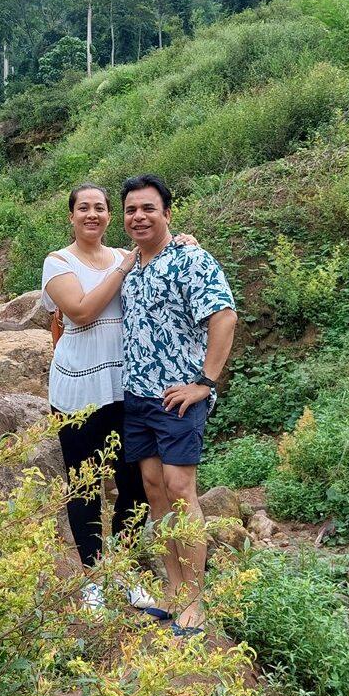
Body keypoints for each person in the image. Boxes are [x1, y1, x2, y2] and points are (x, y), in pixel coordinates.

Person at [41, 183, 168, 615]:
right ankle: (94, 578)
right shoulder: (58, 262)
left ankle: (125, 569)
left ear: (109, 215)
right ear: (72, 216)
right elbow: (79, 311)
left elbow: (164, 256)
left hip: (125, 389)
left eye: (99, 208)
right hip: (76, 391)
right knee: (84, 485)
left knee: (135, 483)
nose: (91, 214)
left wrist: (184, 240)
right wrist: (123, 267)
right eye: (83, 208)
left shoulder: (126, 256)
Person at [120, 174, 237, 635]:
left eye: (148, 208)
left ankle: (195, 599)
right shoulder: (130, 266)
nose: (139, 216)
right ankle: (172, 588)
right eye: (131, 210)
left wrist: (205, 382)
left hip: (178, 397)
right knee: (153, 488)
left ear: (167, 213)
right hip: (137, 395)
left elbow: (224, 318)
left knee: (180, 488)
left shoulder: (191, 260)